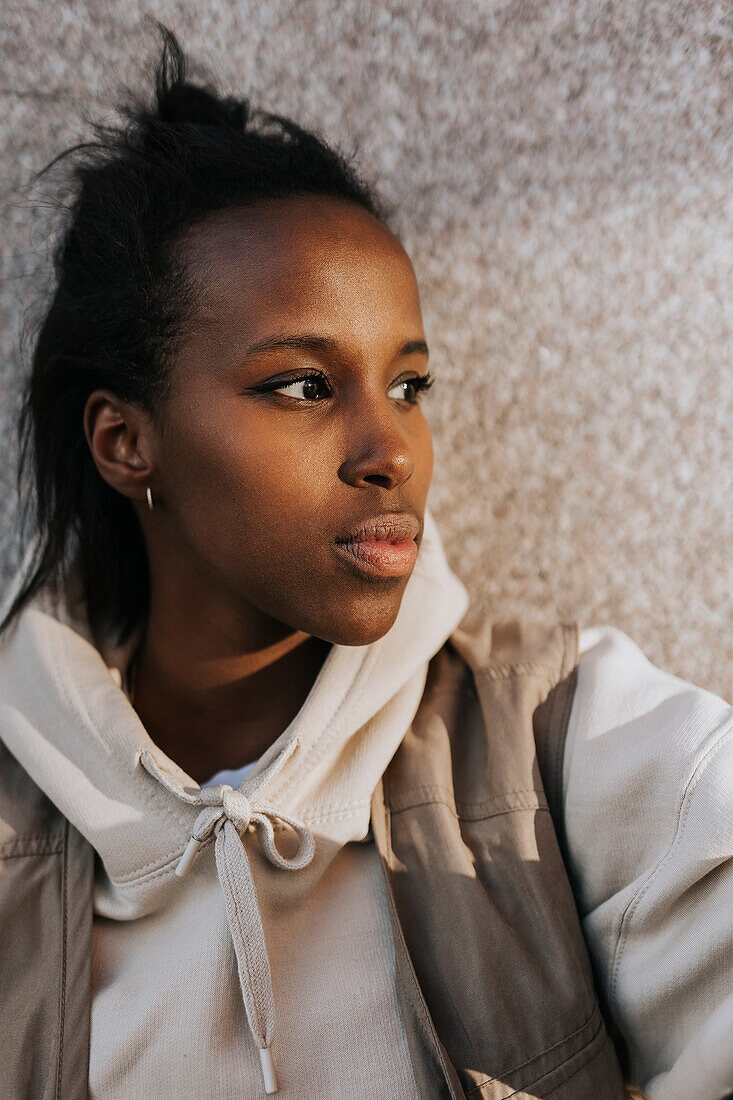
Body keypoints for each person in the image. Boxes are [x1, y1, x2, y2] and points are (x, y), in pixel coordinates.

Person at [0, 23, 730, 1100]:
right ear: (126, 442)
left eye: (409, 385)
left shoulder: (566, 737)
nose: (390, 449)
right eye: (301, 385)